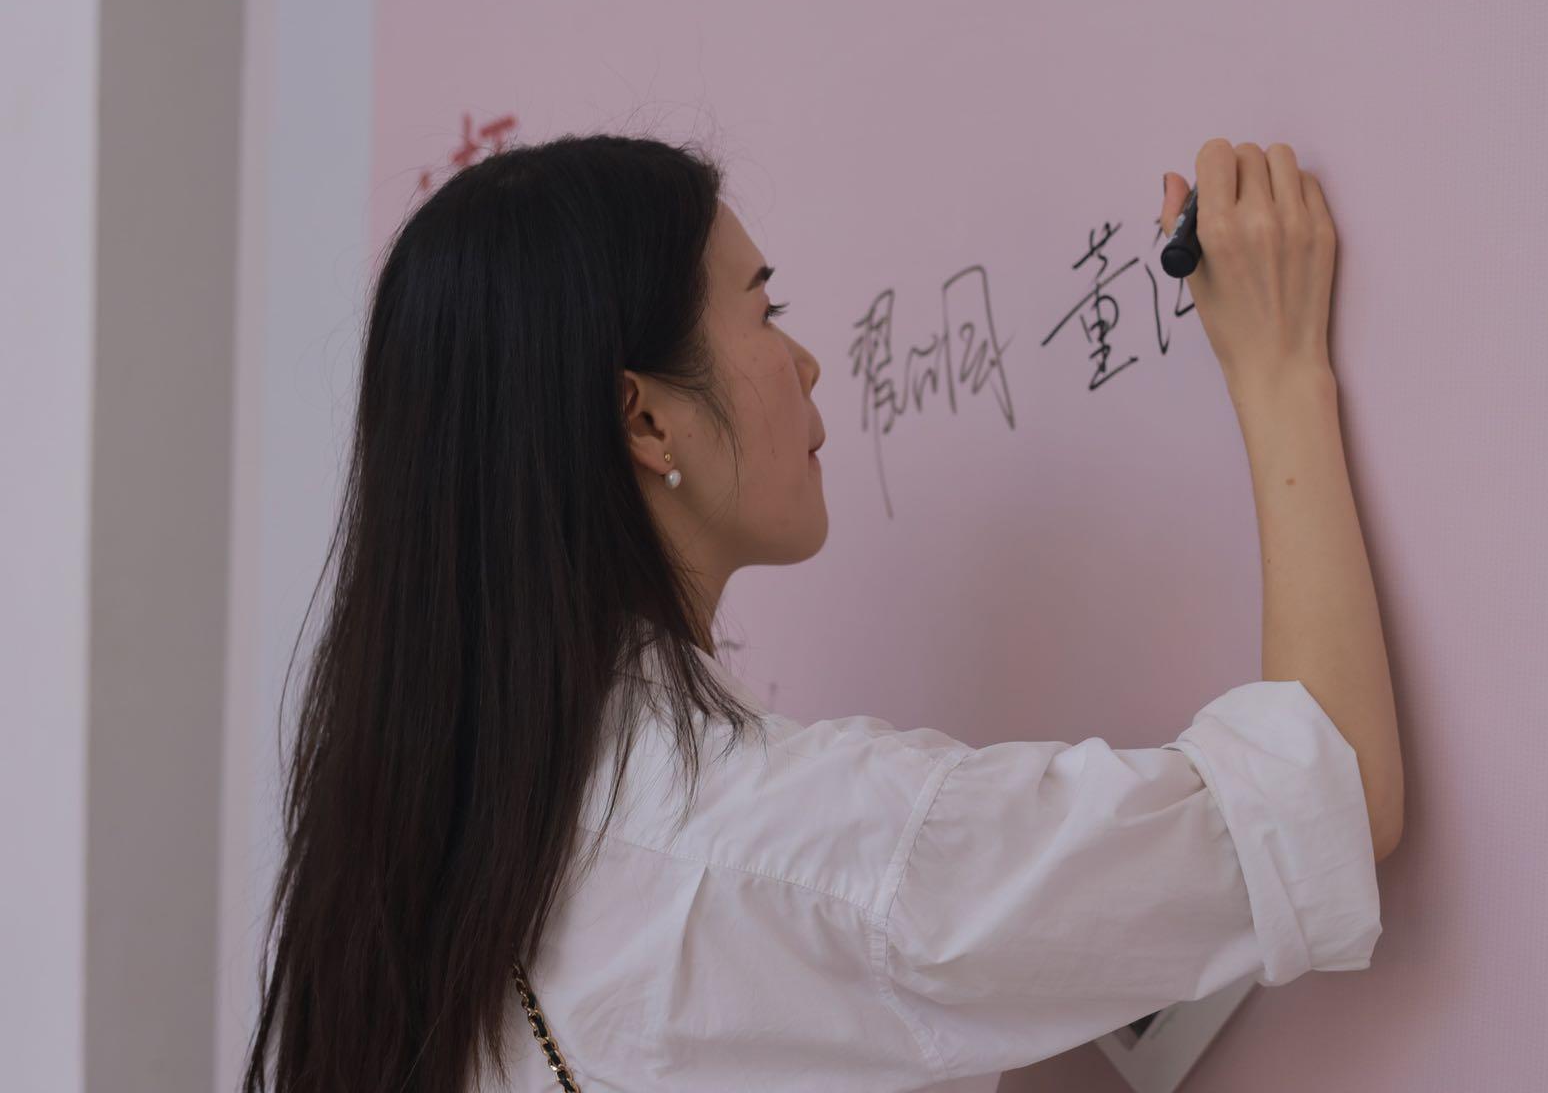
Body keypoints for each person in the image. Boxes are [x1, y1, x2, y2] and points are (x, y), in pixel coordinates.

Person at [240, 133, 1403, 1092]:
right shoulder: (810, 847)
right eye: (764, 309)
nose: (805, 361)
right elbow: (1333, 794)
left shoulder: (426, 852)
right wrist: (1280, 370)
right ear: (645, 420)